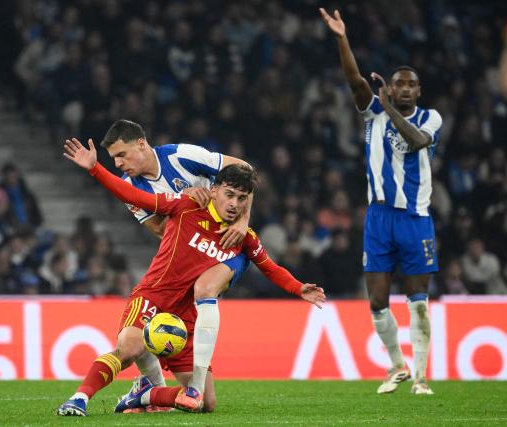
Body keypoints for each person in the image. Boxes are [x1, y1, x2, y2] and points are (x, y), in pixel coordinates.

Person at [57, 138, 325, 416]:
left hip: (186, 317)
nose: (234, 204)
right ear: (215, 190)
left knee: (206, 404)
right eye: (229, 194)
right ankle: (79, 399)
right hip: (155, 296)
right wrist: (95, 169)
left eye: (241, 199)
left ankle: (145, 393)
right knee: (128, 350)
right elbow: (136, 197)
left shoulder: (242, 238)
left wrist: (297, 288)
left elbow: (269, 266)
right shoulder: (186, 204)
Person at [320, 8, 443, 395]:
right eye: (398, 84)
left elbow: (417, 141)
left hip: (415, 217)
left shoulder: (431, 117)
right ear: (390, 87)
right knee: (376, 300)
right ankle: (397, 366)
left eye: (410, 85)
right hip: (378, 217)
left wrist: (387, 104)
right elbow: (354, 80)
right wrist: (342, 38)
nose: (405, 89)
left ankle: (421, 378)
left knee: (418, 302)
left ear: (417, 91)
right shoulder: (372, 111)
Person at [98, 119, 255, 406]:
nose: (118, 163)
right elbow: (159, 229)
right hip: (192, 254)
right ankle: (160, 389)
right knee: (207, 404)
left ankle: (178, 386)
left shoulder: (181, 156)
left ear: (141, 144)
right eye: (114, 159)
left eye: (122, 155)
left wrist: (243, 222)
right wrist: (183, 202)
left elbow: (244, 171)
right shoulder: (130, 187)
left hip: (229, 243)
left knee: (207, 290)